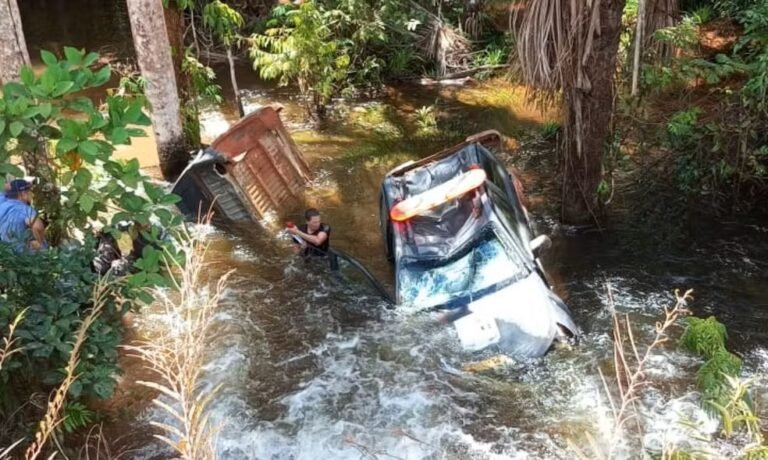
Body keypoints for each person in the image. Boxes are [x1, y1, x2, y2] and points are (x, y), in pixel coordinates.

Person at [0, 179, 47, 251]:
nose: (31, 194)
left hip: (4, 252)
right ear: (23, 194)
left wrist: (12, 187)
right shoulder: (25, 210)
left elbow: (5, 189)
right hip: (21, 255)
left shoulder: (2, 201)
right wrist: (40, 242)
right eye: (29, 191)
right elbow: (38, 227)